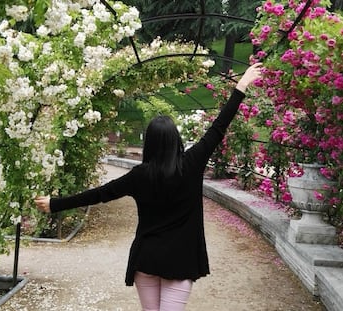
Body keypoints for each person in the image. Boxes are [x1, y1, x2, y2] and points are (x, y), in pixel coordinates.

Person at [35, 62, 263, 311]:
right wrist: (241, 86)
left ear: (150, 144)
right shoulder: (192, 162)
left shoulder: (139, 176)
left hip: (147, 258)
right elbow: (219, 127)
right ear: (176, 140)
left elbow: (100, 194)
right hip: (180, 260)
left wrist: (55, 203)